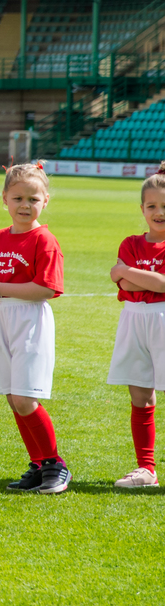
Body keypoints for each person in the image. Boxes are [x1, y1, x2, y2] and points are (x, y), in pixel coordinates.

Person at [0, 163, 68, 494]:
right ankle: (39, 464)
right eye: (17, 198)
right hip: (2, 318)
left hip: (30, 320)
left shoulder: (44, 240)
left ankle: (55, 464)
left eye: (33, 199)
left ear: (45, 201)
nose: (25, 205)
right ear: (4, 199)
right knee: (14, 399)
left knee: (26, 398)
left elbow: (47, 289)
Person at [108, 171, 165, 491]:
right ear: (142, 208)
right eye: (152, 206)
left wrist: (127, 271)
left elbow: (161, 284)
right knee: (140, 394)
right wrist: (136, 278)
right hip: (133, 319)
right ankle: (146, 469)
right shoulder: (131, 243)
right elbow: (126, 285)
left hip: (162, 318)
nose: (159, 212)